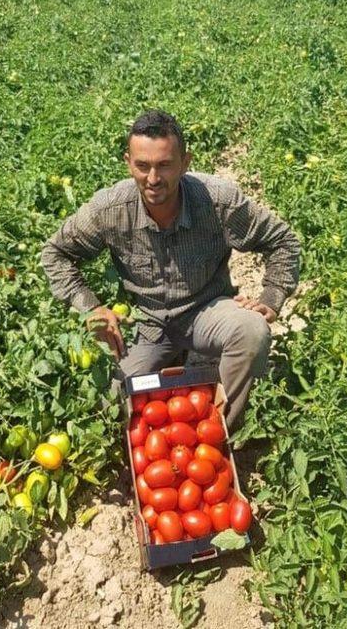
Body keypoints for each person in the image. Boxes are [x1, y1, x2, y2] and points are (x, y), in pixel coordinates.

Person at [41, 109, 300, 431]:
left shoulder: (217, 201)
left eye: (164, 165)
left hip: (206, 310)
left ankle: (221, 432)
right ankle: (166, 373)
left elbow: (283, 241)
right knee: (109, 399)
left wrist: (272, 296)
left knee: (251, 331)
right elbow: (56, 253)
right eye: (142, 166)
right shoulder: (110, 209)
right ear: (128, 162)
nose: (153, 179)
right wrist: (91, 306)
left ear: (185, 162)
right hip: (146, 322)